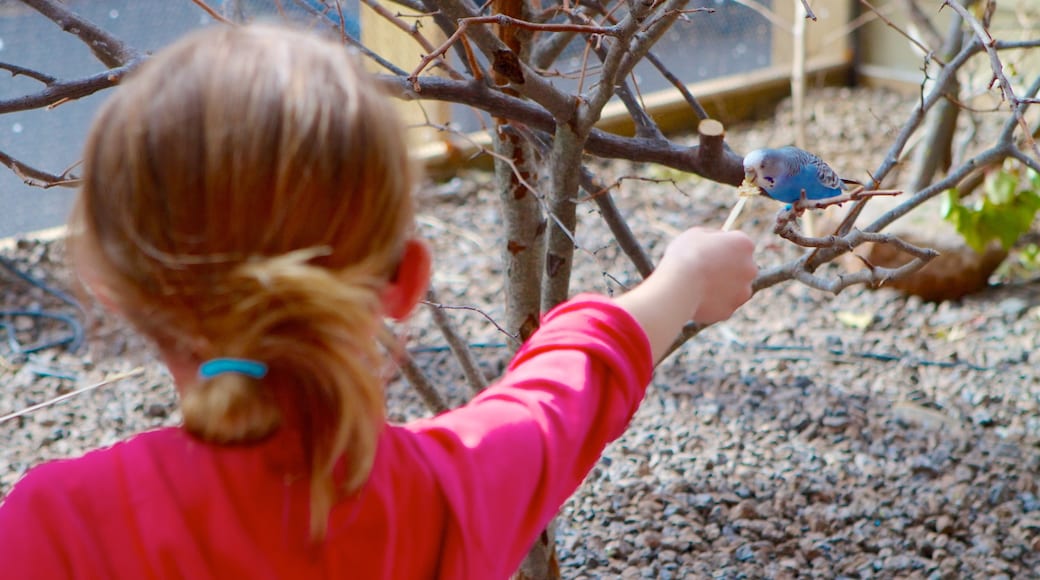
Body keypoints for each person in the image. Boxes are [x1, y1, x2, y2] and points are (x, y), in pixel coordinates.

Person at [0, 23, 757, 579]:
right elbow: (562, 395)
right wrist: (682, 278)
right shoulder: (441, 499)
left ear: (113, 286)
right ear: (405, 279)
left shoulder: (53, 527)